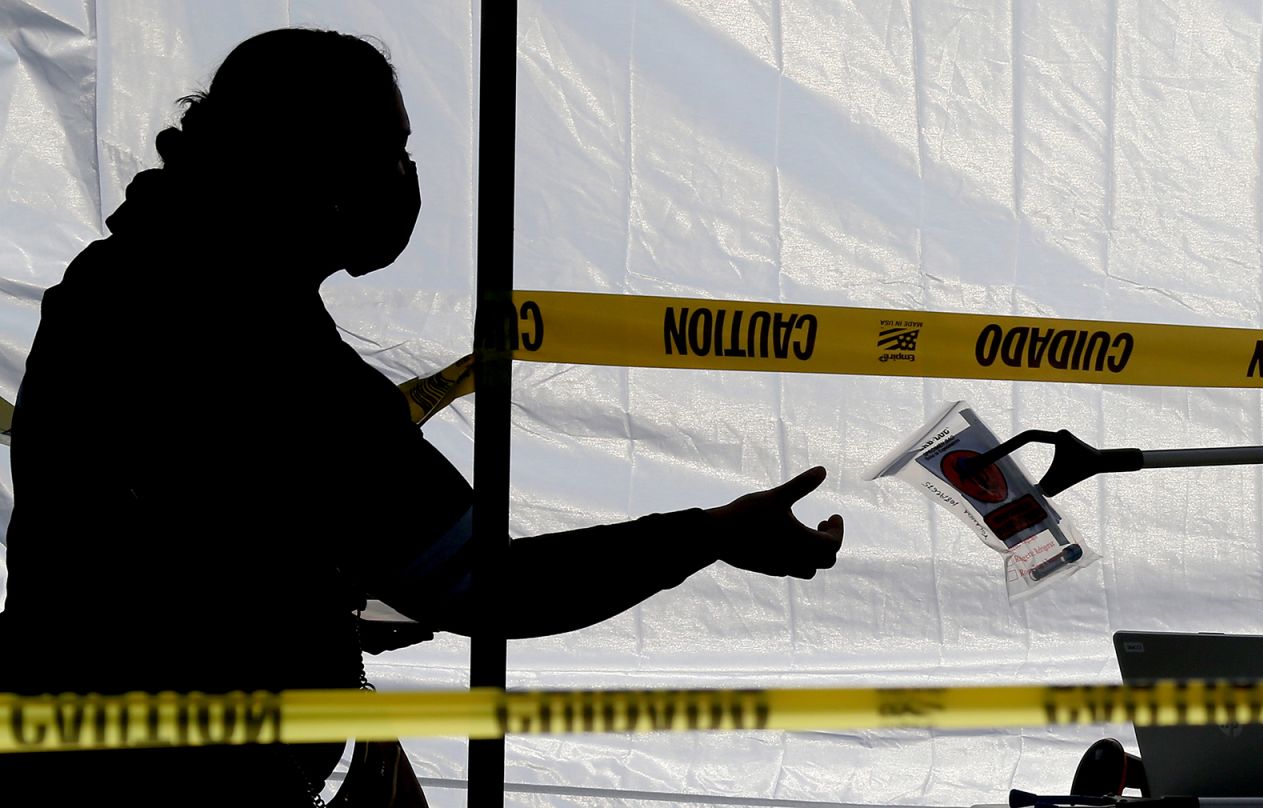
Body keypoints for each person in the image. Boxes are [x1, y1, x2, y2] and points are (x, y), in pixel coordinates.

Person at [0, 28, 843, 807]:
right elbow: (489, 585)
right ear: (316, 171)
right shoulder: (269, 351)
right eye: (392, 150)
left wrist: (321, 588)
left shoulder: (119, 277)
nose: (406, 177)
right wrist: (711, 534)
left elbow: (173, 528)